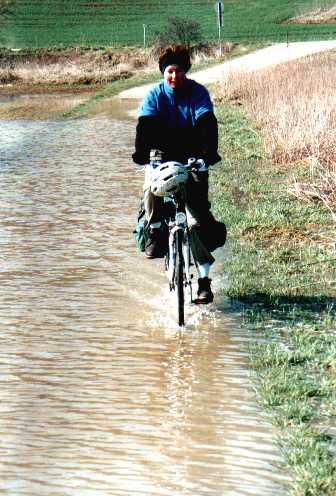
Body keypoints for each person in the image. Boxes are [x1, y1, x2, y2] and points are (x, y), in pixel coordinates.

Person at [132, 45, 226, 304]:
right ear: (164, 72)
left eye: (180, 71)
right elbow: (145, 128)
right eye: (170, 72)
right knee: (150, 188)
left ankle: (204, 281)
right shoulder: (154, 95)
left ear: (186, 71)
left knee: (197, 221)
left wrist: (207, 156)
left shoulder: (198, 93)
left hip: (193, 157)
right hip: (161, 156)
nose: (175, 77)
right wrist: (143, 155)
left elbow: (207, 124)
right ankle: (155, 229)